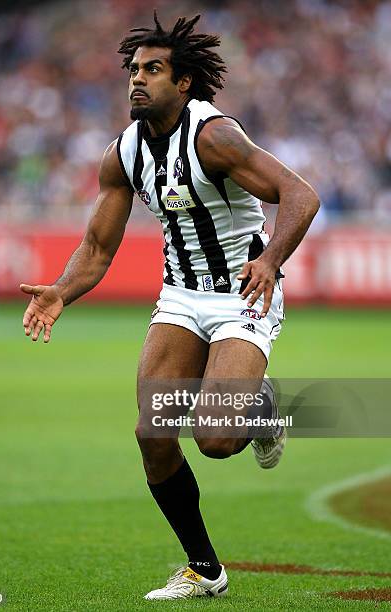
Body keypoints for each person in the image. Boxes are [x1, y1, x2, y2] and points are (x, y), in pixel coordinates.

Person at [20, 13, 319, 600]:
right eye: (134, 69)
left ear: (183, 84)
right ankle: (205, 570)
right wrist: (61, 290)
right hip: (181, 297)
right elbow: (98, 246)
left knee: (214, 438)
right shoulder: (125, 153)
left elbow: (300, 194)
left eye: (153, 70)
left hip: (242, 294)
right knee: (152, 434)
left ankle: (261, 407)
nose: (138, 80)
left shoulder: (215, 137)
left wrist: (271, 260)